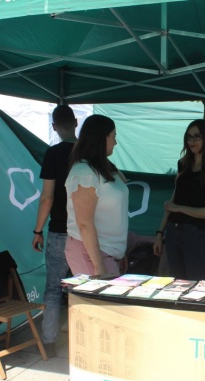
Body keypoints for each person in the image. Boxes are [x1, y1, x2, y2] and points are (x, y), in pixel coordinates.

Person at [31, 105, 77, 357]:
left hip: (60, 231)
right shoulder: (90, 153)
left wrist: (37, 230)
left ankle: (48, 342)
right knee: (86, 287)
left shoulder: (53, 154)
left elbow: (47, 198)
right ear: (76, 123)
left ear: (55, 127)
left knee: (53, 289)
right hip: (86, 233)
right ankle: (84, 341)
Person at [152, 119, 205, 280]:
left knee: (195, 284)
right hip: (172, 231)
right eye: (189, 137)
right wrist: (160, 233)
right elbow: (172, 201)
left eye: (197, 136)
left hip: (194, 234)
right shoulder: (183, 164)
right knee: (176, 283)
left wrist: (180, 208)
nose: (192, 141)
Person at [65, 114, 129, 276]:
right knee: (105, 294)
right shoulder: (84, 172)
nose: (115, 142)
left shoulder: (105, 167)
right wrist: (98, 265)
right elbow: (84, 223)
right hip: (91, 253)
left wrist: (119, 251)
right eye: (113, 136)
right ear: (102, 137)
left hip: (108, 252)